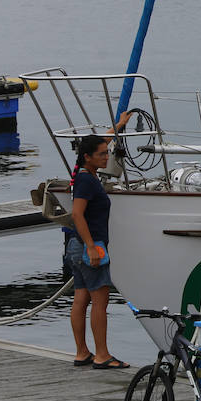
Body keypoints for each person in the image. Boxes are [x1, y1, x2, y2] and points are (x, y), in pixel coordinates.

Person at [68, 113, 131, 370]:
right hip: (90, 247)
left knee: (81, 299)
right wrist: (92, 247)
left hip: (76, 247)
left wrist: (118, 126)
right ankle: (102, 355)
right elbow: (77, 214)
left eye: (107, 153)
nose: (107, 157)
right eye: (102, 154)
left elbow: (99, 142)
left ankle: (82, 352)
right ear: (88, 157)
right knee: (100, 301)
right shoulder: (86, 180)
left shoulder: (84, 173)